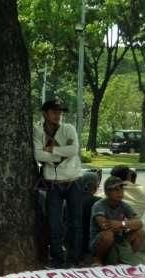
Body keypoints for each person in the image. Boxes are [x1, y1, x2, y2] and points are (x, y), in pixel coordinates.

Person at [33, 99, 83, 268]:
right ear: (45, 114)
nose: (58, 115)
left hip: (73, 180)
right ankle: (57, 259)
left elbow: (74, 150)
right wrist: (62, 154)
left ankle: (74, 259)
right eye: (55, 112)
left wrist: (52, 150)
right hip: (52, 183)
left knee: (75, 222)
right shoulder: (38, 130)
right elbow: (38, 156)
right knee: (55, 223)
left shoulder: (68, 128)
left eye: (60, 112)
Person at [90, 176, 145, 265]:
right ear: (107, 192)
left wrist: (121, 224)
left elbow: (139, 223)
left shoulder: (124, 205)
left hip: (119, 239)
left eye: (121, 189)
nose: (120, 193)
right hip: (100, 241)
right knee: (108, 235)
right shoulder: (99, 205)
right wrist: (127, 225)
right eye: (116, 190)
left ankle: (126, 257)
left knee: (140, 233)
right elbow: (104, 226)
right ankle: (97, 259)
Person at [79, 171, 101, 264]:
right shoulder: (99, 202)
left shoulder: (69, 201)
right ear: (94, 186)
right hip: (90, 244)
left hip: (71, 244)